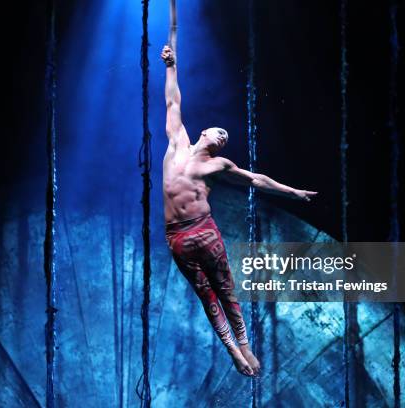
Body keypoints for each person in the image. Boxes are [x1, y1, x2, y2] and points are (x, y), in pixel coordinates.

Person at [161, 44, 318, 377]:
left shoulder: (218, 164)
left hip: (203, 230)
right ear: (204, 132)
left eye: (226, 137)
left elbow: (256, 179)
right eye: (220, 131)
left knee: (225, 289)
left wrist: (292, 192)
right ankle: (232, 349)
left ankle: (244, 342)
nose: (224, 136)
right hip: (176, 235)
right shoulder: (177, 143)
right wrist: (171, 66)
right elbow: (173, 101)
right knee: (206, 294)